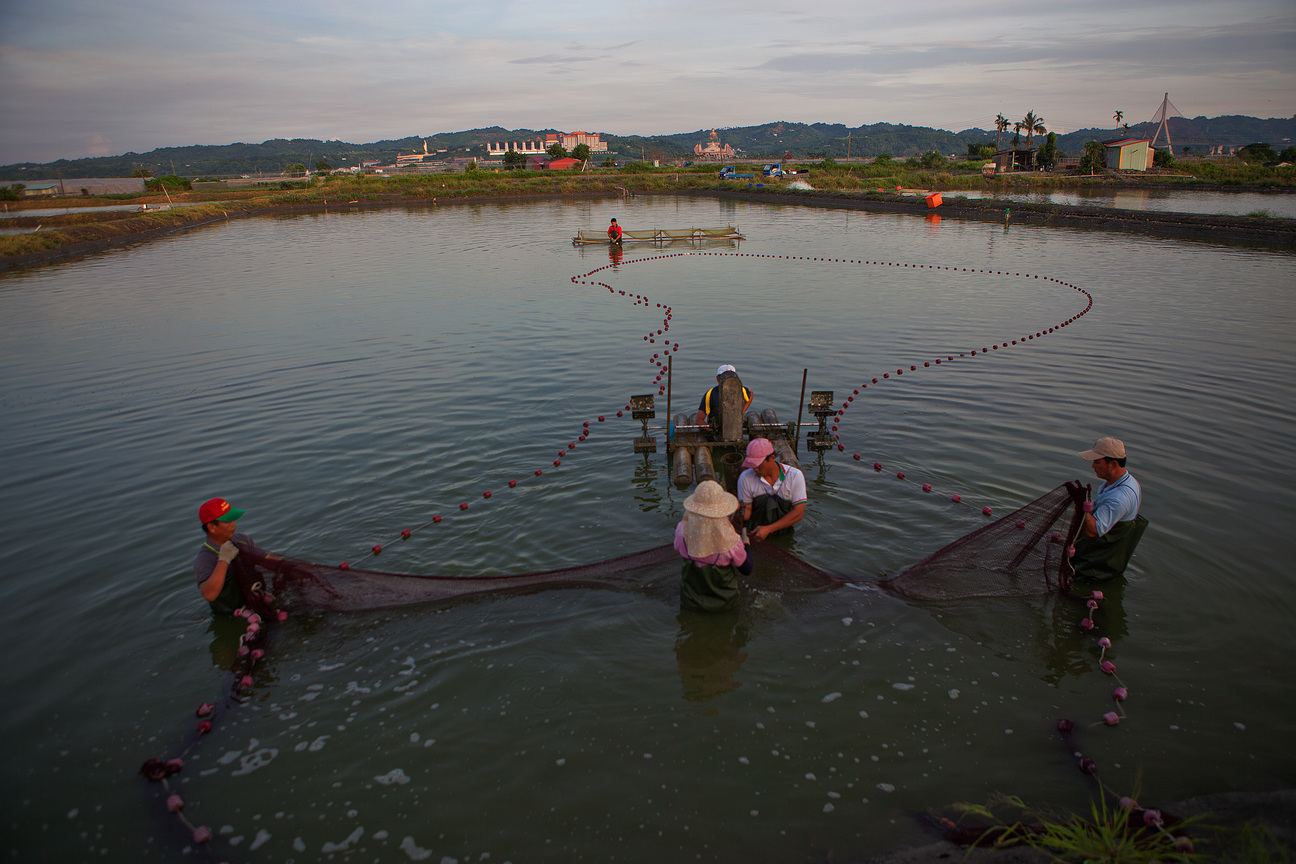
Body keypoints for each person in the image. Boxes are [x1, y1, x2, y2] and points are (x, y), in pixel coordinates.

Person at [1071, 437, 1148, 581]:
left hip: (1098, 567)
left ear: (1113, 465)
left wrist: (1082, 503)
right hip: (1101, 558)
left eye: (1097, 462)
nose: (1093, 466)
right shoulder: (1121, 482)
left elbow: (1093, 531)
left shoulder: (1119, 498)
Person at [674, 480, 753, 612]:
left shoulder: (681, 531)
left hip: (690, 601)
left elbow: (678, 548)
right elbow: (747, 569)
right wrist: (746, 544)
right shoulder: (730, 540)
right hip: (725, 604)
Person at [194, 497, 280, 615]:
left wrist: (294, 569)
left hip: (258, 601)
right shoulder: (205, 559)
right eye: (228, 521)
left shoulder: (242, 540)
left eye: (233, 519)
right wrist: (223, 561)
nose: (234, 523)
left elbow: (266, 558)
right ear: (212, 527)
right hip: (231, 615)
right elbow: (209, 595)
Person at [736, 438, 807, 541]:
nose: (755, 469)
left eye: (759, 465)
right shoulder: (745, 478)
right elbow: (747, 512)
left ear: (772, 458)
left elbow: (799, 512)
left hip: (785, 532)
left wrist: (769, 529)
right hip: (755, 532)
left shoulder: (795, 476)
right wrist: (736, 509)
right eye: (752, 466)